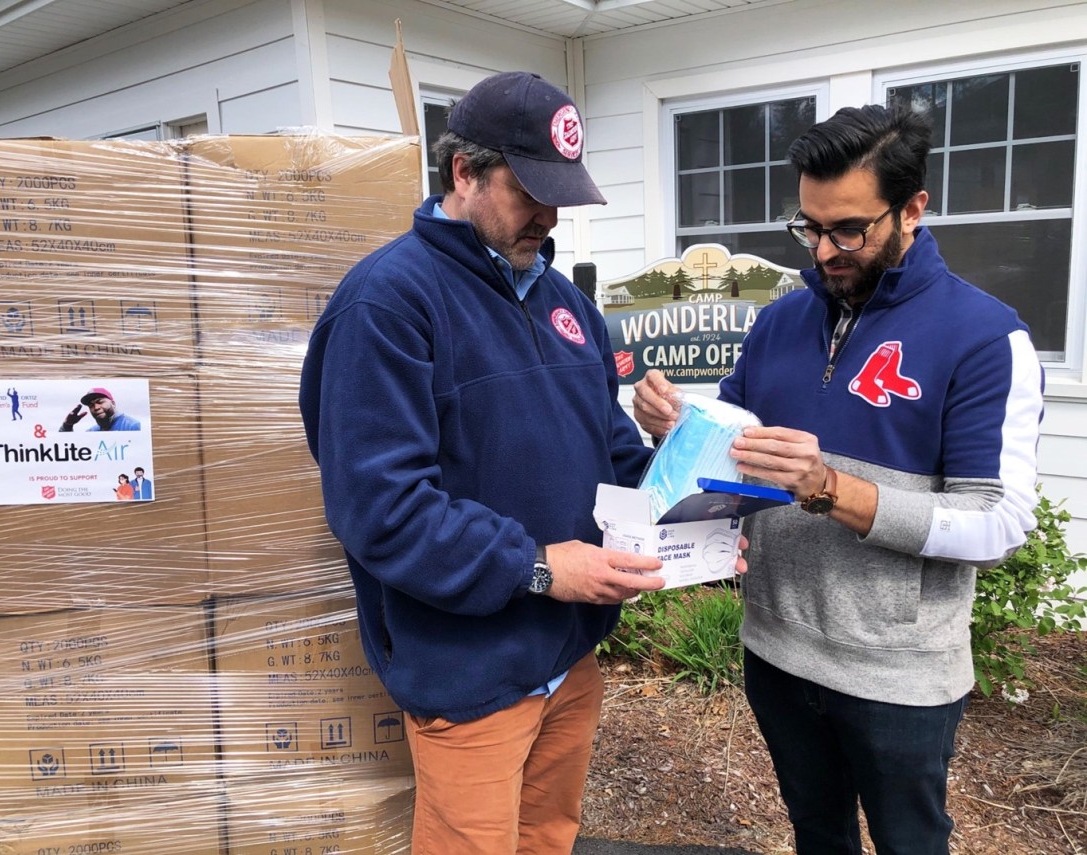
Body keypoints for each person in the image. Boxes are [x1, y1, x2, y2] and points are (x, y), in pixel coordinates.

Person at [632, 104, 1044, 855]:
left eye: (848, 229)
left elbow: (999, 521)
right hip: (778, 650)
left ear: (913, 208)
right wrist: (674, 420)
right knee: (817, 834)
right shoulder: (782, 320)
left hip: (898, 676)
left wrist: (831, 487)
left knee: (910, 843)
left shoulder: (984, 336)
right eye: (810, 227)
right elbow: (732, 431)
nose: (824, 252)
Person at [299, 71, 672, 855]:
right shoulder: (389, 303)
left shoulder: (566, 303)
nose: (551, 212)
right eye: (530, 188)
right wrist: (539, 567)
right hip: (468, 673)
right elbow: (383, 508)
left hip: (568, 656)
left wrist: (686, 508)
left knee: (549, 839)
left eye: (562, 190)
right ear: (463, 172)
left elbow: (611, 452)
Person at [59, 387, 141, 432]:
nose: (96, 407)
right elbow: (69, 451)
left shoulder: (133, 426)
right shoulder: (91, 432)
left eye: (100, 402)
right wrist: (67, 425)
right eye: (91, 405)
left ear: (113, 404)